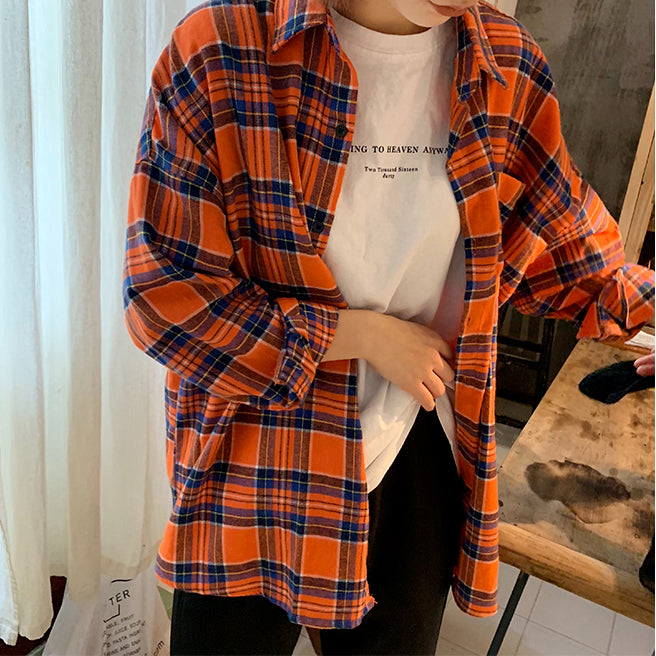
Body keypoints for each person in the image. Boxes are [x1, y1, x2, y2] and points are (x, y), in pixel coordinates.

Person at [122, 0, 655, 653]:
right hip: (256, 443)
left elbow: (568, 248)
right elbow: (166, 297)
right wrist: (359, 335)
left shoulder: (506, 66)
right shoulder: (225, 47)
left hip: (419, 439)